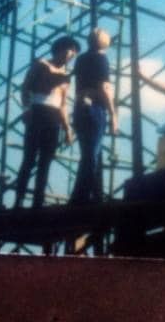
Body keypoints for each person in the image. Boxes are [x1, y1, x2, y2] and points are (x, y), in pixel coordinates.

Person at [14, 35, 80, 208]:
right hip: (37, 112)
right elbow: (25, 88)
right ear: (60, 48)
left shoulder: (65, 77)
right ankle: (19, 200)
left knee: (45, 162)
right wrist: (26, 109)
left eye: (74, 52)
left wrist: (67, 129)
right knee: (29, 159)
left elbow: (63, 105)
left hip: (53, 118)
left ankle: (38, 202)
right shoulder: (40, 65)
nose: (70, 54)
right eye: (69, 49)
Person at [69, 27, 117, 205]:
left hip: (80, 107)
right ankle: (80, 197)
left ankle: (95, 195)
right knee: (91, 155)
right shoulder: (101, 59)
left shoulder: (81, 59)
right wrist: (113, 114)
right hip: (95, 108)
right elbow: (104, 88)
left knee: (90, 153)